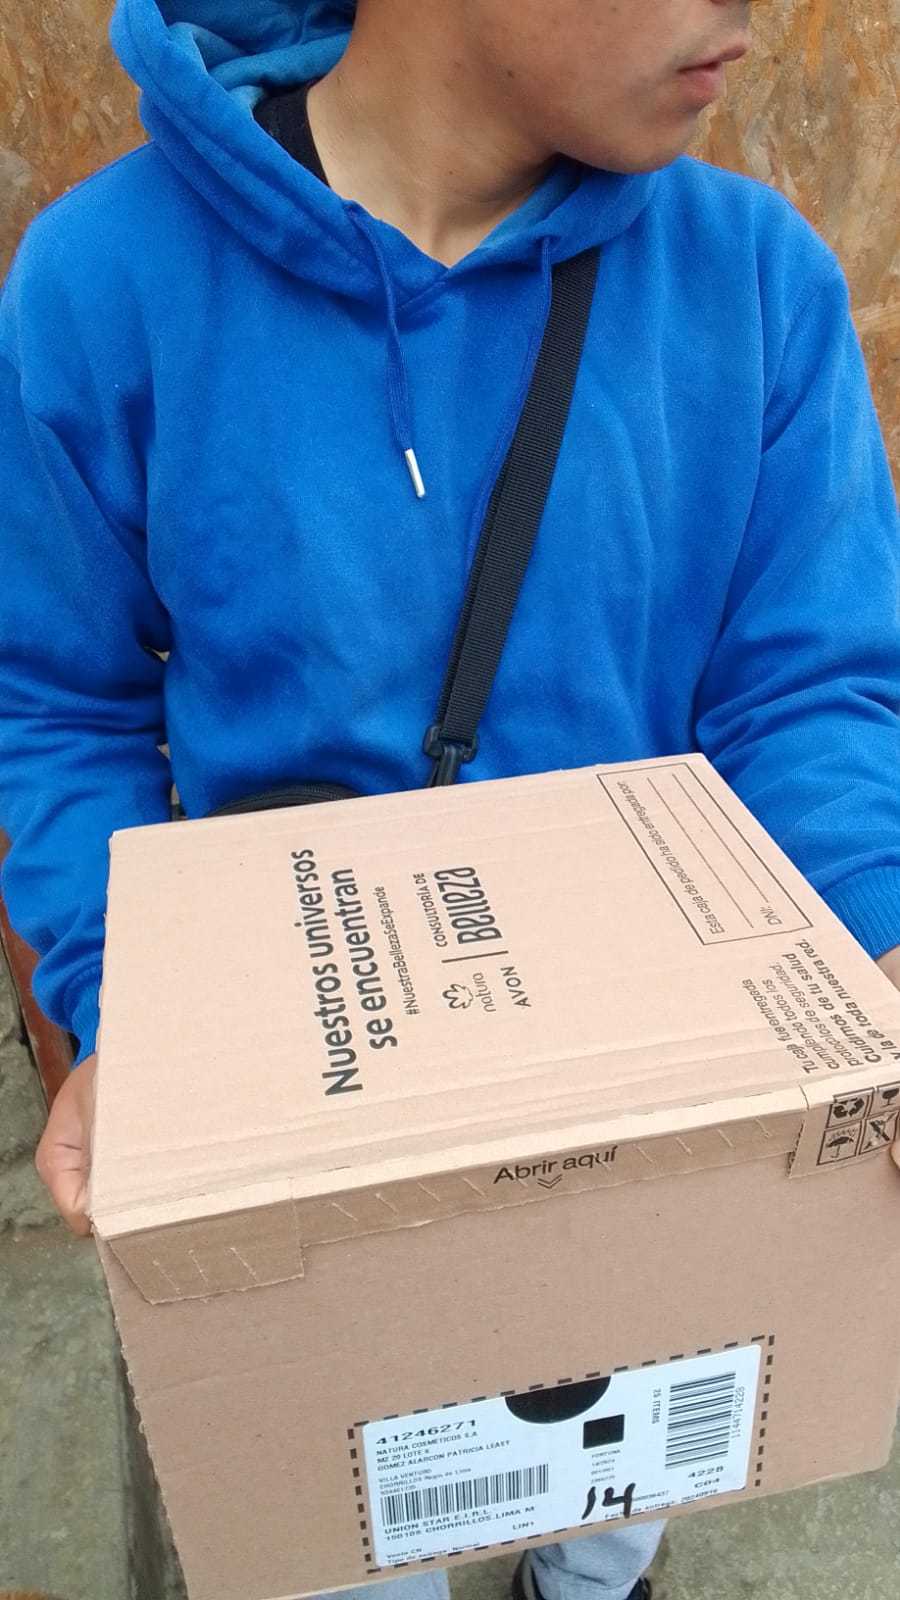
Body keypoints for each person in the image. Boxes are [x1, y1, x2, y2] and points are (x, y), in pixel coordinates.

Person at [2, 2, 899, 1596]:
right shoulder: (106, 282)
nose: (750, 18)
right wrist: (126, 1003)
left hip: (653, 1104)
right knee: (350, 1521)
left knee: (616, 1466)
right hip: (307, 1122)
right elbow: (62, 704)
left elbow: (810, 686)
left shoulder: (754, 280)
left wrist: (872, 949)